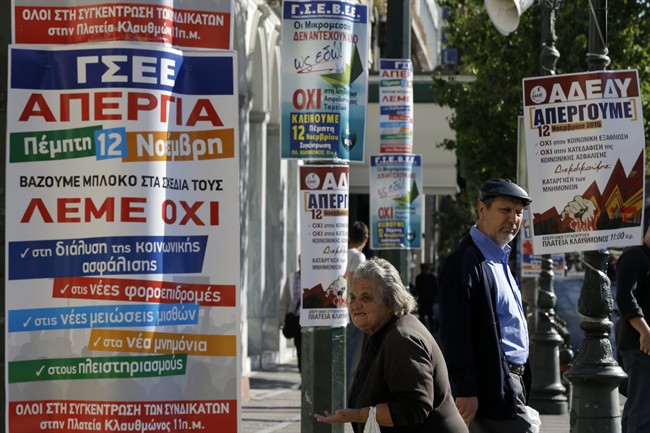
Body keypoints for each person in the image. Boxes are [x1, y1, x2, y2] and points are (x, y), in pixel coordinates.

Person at [314, 257, 468, 433]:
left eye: (366, 297)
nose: (355, 304)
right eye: (353, 297)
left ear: (390, 299)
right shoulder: (381, 330)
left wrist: (358, 415)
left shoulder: (402, 338)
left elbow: (414, 408)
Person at [439, 178, 535, 432]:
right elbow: (455, 331)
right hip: (490, 385)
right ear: (482, 210)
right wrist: (465, 388)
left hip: (510, 381)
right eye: (505, 210)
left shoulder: (498, 258)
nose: (513, 219)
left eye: (518, 212)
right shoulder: (466, 262)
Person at [616, 218, 650, 433]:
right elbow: (625, 297)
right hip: (640, 343)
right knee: (642, 409)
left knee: (639, 407)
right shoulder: (635, 255)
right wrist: (645, 331)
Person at [346, 220, 369, 390]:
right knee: (352, 358)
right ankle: (346, 396)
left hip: (338, 309)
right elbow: (356, 284)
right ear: (365, 239)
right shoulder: (358, 257)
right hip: (351, 311)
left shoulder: (340, 254)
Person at [281, 256, 302, 372]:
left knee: (309, 350)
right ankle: (303, 376)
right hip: (296, 319)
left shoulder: (314, 278)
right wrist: (281, 318)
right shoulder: (292, 278)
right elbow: (284, 300)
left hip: (310, 320)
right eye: (300, 261)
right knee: (299, 348)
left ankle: (308, 377)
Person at [415, 262, 439, 331]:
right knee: (424, 315)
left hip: (428, 299)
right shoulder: (421, 278)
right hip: (424, 299)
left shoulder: (431, 278)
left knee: (429, 315)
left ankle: (429, 328)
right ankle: (425, 329)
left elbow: (435, 288)